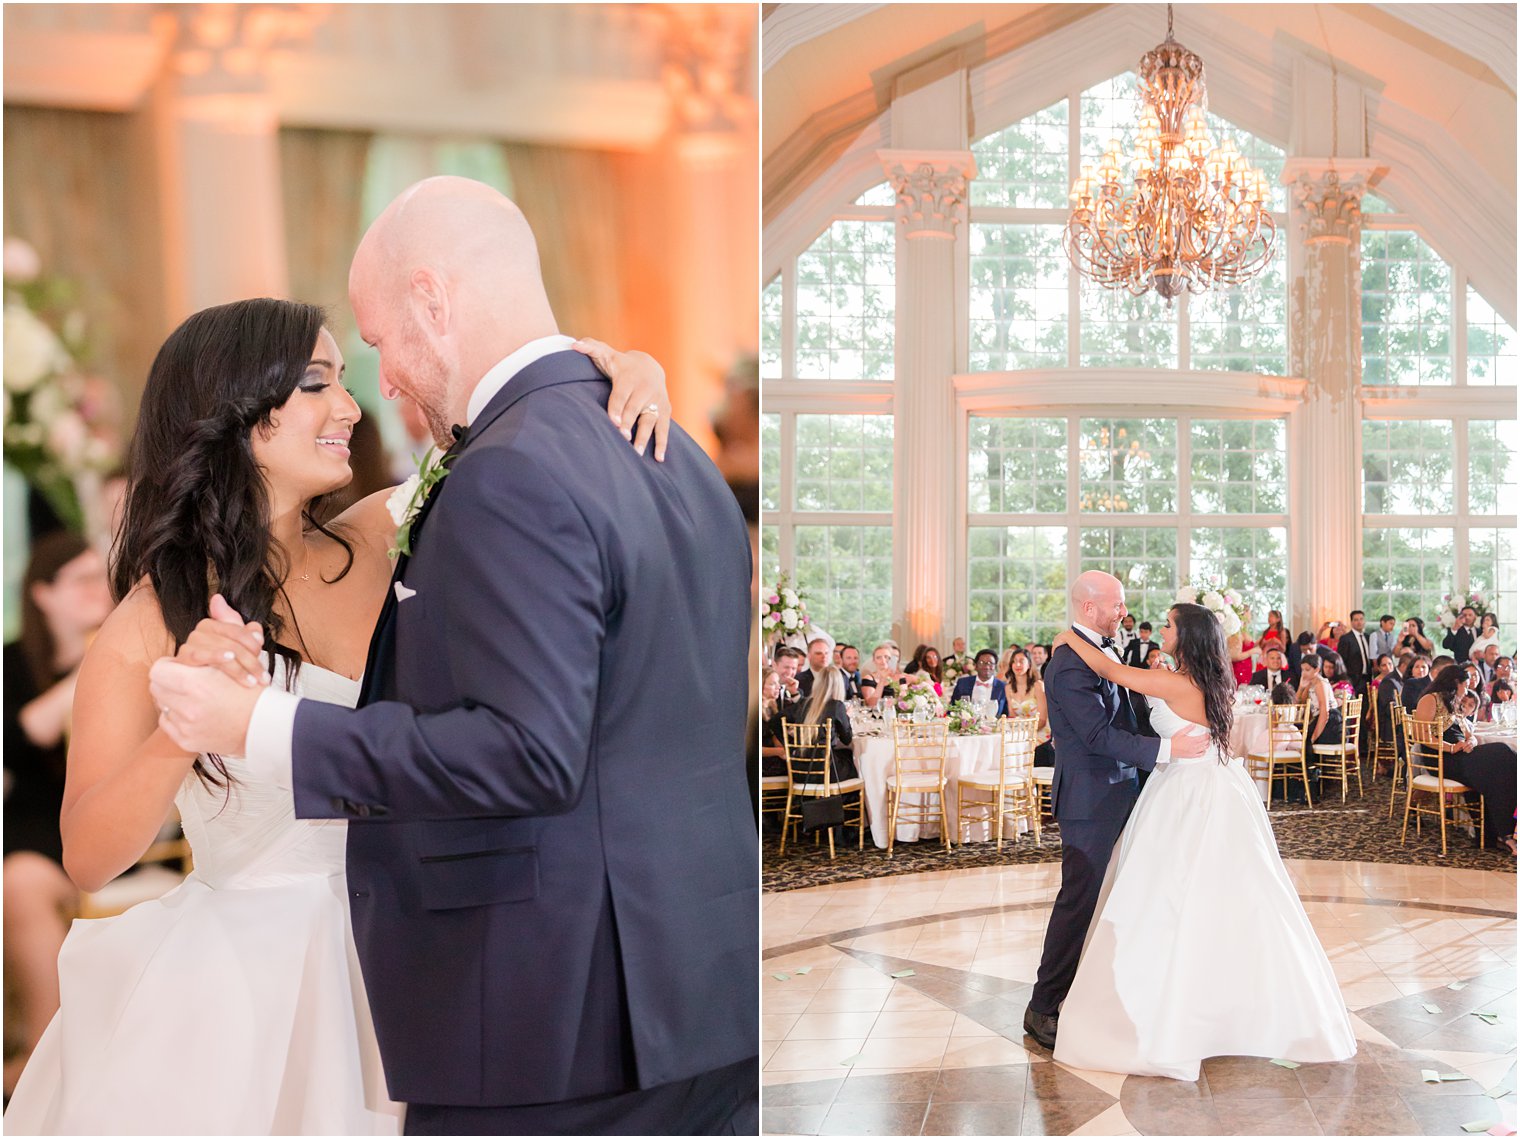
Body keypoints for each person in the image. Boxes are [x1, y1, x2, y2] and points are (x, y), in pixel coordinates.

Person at [143, 180, 757, 1134]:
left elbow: (527, 752)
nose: (380, 385)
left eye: (379, 344)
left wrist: (260, 726)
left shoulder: (506, 469)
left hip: (552, 1022)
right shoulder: (678, 454)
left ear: (433, 298)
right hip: (702, 989)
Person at [5, 324, 678, 1129]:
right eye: (318, 383)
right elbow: (87, 854)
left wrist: (618, 366)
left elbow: (516, 424)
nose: (352, 407)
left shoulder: (380, 536)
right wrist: (182, 727)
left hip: (428, 950)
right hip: (248, 993)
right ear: (237, 411)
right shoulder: (146, 624)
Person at [1048, 603, 1356, 1080]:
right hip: (1216, 784)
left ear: (1185, 636)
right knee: (1226, 896)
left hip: (1185, 790)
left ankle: (1176, 1010)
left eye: (1168, 625)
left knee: (1171, 895)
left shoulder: (1173, 682)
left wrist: (1069, 640)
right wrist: (1164, 670)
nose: (1160, 630)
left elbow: (1109, 669)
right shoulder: (1208, 679)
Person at [1022, 572, 1211, 1053]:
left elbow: (1127, 716)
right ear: (1089, 607)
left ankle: (1113, 991)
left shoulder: (1103, 649)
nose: (1122, 612)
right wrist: (1167, 750)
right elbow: (1096, 736)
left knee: (1124, 897)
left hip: (1125, 791)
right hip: (1090, 800)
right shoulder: (1067, 665)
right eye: (1116, 604)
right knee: (1078, 902)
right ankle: (1043, 1006)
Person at [3, 534, 116, 1097]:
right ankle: (42, 1051)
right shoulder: (14, 662)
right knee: (20, 879)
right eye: (82, 580)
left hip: (109, 815)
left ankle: (46, 1060)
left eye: (103, 577)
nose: (100, 591)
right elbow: (18, 740)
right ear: (43, 594)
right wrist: (89, 672)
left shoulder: (128, 649)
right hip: (34, 822)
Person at [1413, 666, 1516, 851]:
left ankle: (1502, 833)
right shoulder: (1430, 699)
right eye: (1465, 685)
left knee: (1505, 763)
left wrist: (1472, 742)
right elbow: (1422, 736)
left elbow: (1470, 734)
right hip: (1441, 758)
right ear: (1455, 683)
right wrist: (1451, 747)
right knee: (1502, 753)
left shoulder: (1453, 701)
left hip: (1461, 754)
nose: (1467, 690)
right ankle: (1502, 834)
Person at [1002, 648, 1051, 759]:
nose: (1017, 664)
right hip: (1020, 734)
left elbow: (1042, 720)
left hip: (1039, 734)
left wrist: (1024, 735)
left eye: (1021, 661)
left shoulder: (1038, 685)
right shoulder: (1008, 687)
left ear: (1029, 664)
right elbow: (1012, 716)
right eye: (1014, 661)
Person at [950, 649, 1008, 718]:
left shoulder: (1003, 687)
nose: (986, 667)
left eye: (990, 663)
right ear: (975, 666)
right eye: (981, 662)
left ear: (995, 666)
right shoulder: (962, 683)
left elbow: (1006, 713)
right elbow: (953, 708)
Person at [1336, 610, 1373, 697]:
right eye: (1356, 620)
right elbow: (1341, 660)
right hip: (1353, 679)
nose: (1359, 622)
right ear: (1351, 622)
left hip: (1368, 678)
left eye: (1361, 619)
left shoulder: (1368, 637)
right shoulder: (1345, 639)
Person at [759, 667, 787, 778]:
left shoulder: (773, 708)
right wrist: (779, 752)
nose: (778, 687)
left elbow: (775, 739)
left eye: (778, 683)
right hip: (762, 764)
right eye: (772, 684)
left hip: (775, 759)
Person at [795, 635, 833, 700]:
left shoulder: (838, 677)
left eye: (826, 653)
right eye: (819, 653)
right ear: (809, 656)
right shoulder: (798, 680)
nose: (824, 656)